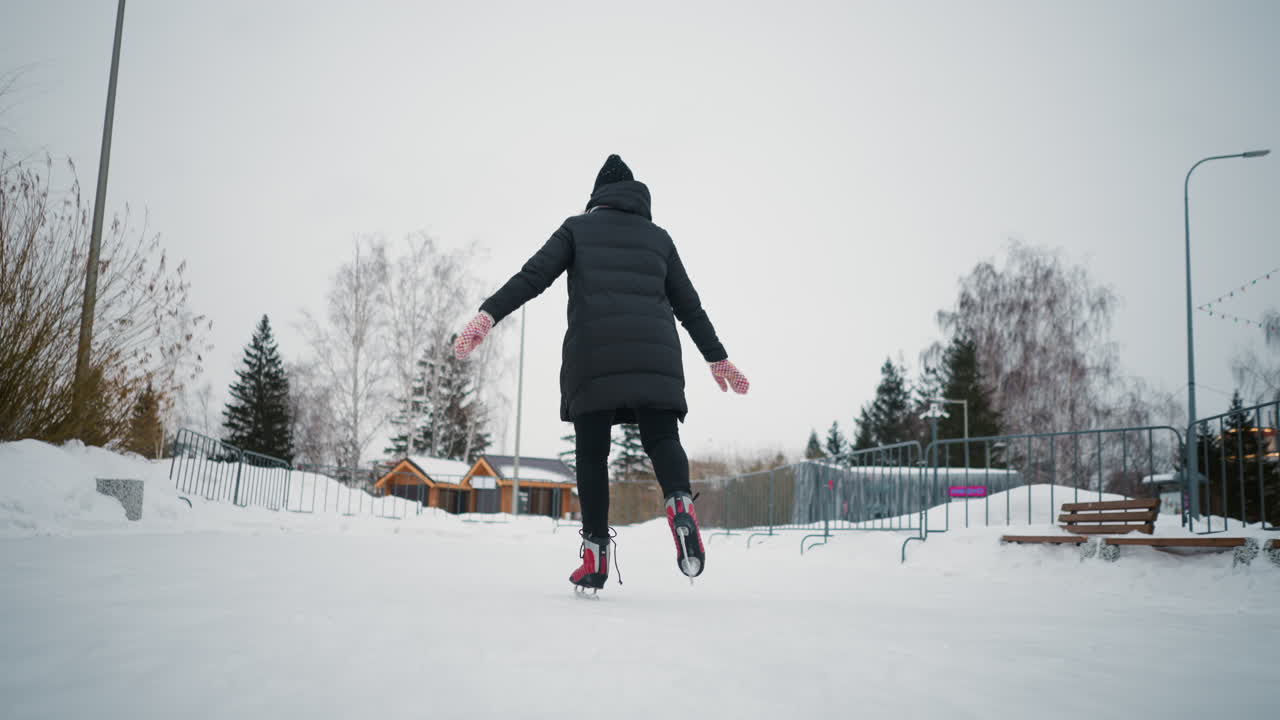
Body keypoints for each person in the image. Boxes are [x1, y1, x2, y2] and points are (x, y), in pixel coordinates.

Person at [453, 154, 750, 592]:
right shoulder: (659, 238)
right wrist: (717, 357)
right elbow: (690, 306)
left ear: (597, 197)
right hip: (656, 358)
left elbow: (532, 277)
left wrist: (487, 316)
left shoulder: (577, 228)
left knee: (593, 456)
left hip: (594, 357)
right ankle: (681, 506)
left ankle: (594, 560)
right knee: (663, 439)